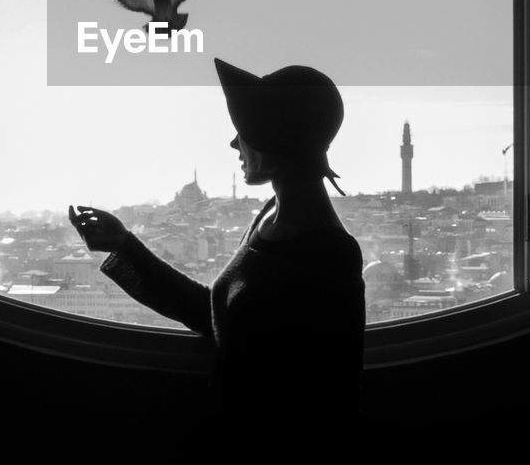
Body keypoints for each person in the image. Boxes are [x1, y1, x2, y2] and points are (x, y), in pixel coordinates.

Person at [69, 57, 364, 416]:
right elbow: (218, 313)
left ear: (274, 139)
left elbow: (330, 394)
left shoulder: (330, 254)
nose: (234, 143)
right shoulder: (270, 215)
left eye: (245, 129)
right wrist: (124, 245)